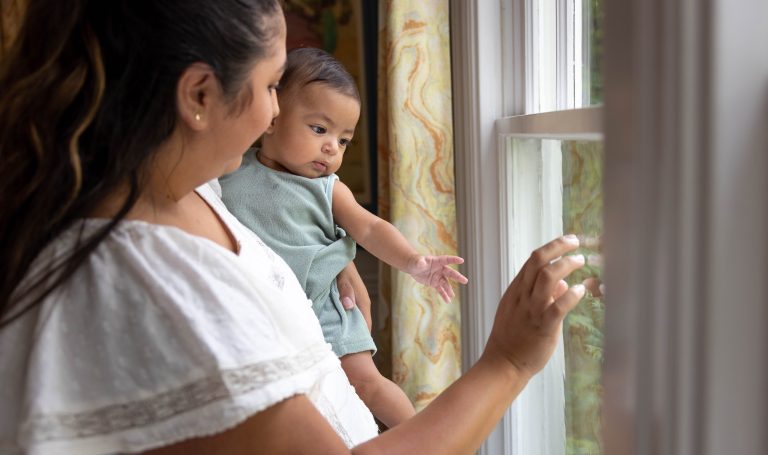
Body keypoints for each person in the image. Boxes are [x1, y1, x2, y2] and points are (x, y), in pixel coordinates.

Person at [0, 0, 586, 453]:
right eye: (273, 84)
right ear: (200, 94)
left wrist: (336, 265)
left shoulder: (183, 187)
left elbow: (280, 239)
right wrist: (509, 361)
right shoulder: (149, 281)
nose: (277, 110)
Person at [219, 47, 468, 428]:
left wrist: (414, 262)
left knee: (366, 383)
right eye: (319, 129)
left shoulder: (326, 189)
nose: (332, 147)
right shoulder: (231, 169)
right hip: (270, 311)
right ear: (272, 119)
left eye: (344, 140)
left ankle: (420, 439)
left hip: (325, 304)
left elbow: (370, 227)